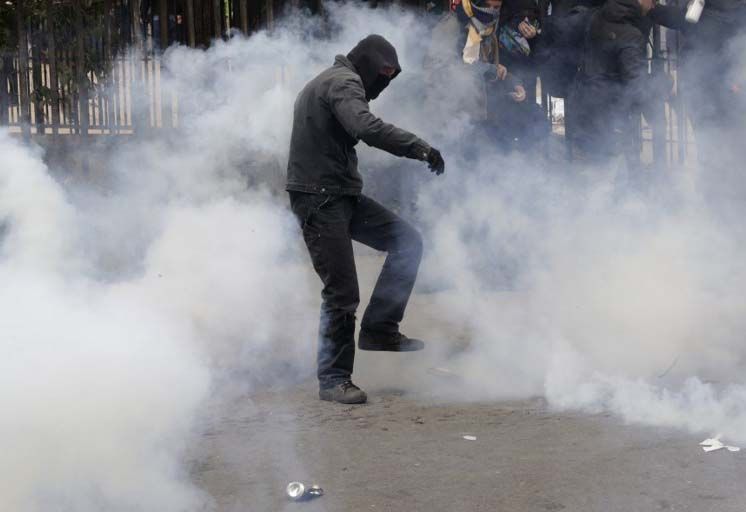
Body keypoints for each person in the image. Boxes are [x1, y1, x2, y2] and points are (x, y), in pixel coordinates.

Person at [286, 35, 445, 405]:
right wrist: (418, 146)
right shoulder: (343, 82)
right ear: (369, 65)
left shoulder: (335, 80)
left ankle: (379, 328)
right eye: (384, 74)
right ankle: (333, 378)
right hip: (318, 197)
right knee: (341, 293)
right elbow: (365, 127)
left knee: (407, 242)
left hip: (339, 193)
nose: (384, 83)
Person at [424, 0, 529, 148]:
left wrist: (514, 83)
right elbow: (442, 68)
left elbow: (494, 66)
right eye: (487, 5)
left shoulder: (488, 30)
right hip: (448, 114)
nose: (491, 11)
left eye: (496, 8)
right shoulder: (451, 26)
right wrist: (489, 69)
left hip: (476, 113)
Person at [567, 0, 655, 163]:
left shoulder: (593, 16)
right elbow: (636, 82)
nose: (654, 6)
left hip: (582, 110)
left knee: (586, 179)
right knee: (606, 180)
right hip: (610, 120)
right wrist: (652, 113)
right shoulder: (631, 34)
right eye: (654, 1)